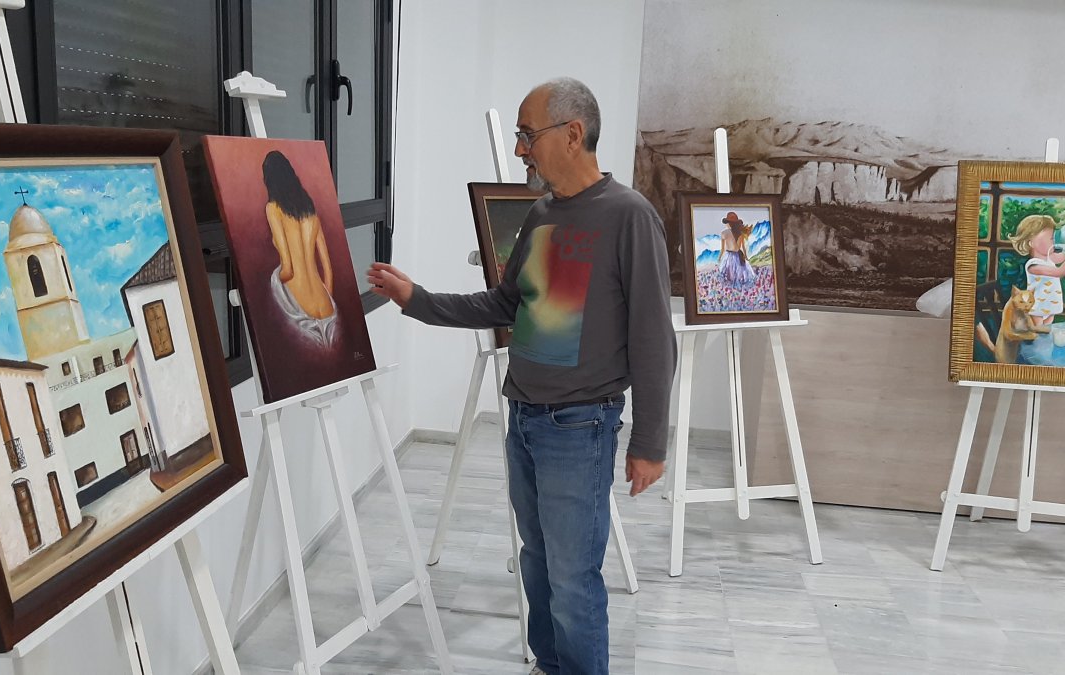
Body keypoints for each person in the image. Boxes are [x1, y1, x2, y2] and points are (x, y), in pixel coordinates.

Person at [367, 77, 675, 675]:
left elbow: (654, 338)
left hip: (580, 426)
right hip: (526, 420)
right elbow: (507, 306)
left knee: (573, 577)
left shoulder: (629, 217)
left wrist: (649, 442)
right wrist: (417, 299)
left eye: (527, 135)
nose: (519, 150)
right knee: (537, 561)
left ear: (573, 133)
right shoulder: (540, 215)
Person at [263, 150, 338, 345]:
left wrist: (272, 282)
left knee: (274, 276)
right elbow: (328, 269)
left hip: (300, 308)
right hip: (327, 306)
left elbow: (288, 268)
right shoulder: (310, 209)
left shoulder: (273, 208)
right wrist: (326, 294)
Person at [1008, 214, 1065, 325]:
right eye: (1051, 238)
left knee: (1048, 329)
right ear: (1031, 243)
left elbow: (1062, 256)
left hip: (1049, 303)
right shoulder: (1033, 265)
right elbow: (1059, 272)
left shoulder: (1049, 257)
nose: (1054, 241)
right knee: (1038, 331)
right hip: (1037, 307)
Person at [719, 211, 755, 286]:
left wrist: (719, 257)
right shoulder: (740, 234)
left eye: (727, 223)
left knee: (729, 273)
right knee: (739, 274)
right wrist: (746, 256)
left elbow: (722, 249)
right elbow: (743, 247)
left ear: (729, 223)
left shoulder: (723, 233)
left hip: (728, 256)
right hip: (738, 255)